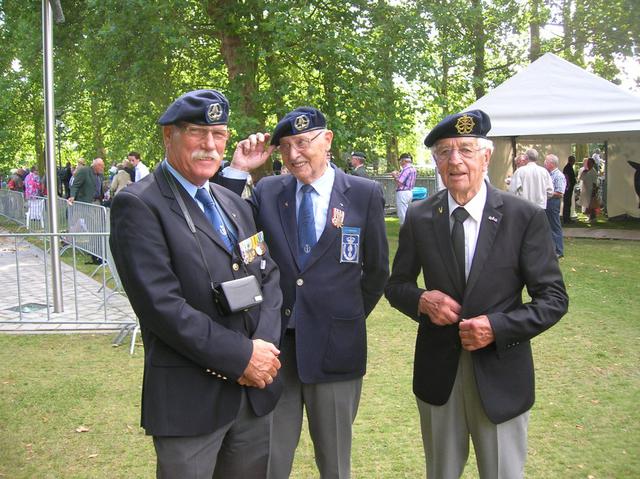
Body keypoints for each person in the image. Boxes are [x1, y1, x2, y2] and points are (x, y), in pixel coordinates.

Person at [385, 109, 568, 479]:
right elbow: (396, 285)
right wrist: (421, 300)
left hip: (501, 374)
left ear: (486, 156)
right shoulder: (420, 217)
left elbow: (553, 299)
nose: (455, 161)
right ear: (435, 162)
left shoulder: (523, 217)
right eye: (444, 152)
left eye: (466, 149)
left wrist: (497, 327)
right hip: (439, 374)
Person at [109, 89, 283, 478]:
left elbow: (267, 275)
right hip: (190, 402)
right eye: (196, 133)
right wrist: (242, 357)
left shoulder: (232, 201)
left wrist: (263, 352)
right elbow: (162, 308)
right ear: (168, 136)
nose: (210, 145)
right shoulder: (139, 205)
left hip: (254, 392)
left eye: (219, 134)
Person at [224, 106, 389, 478]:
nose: (293, 154)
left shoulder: (363, 194)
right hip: (275, 349)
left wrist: (343, 316)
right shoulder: (268, 191)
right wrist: (238, 171)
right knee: (269, 460)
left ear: (327, 140)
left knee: (334, 462)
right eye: (284, 147)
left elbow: (377, 271)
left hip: (336, 349)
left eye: (302, 143)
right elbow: (233, 230)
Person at [544, 154, 566, 258]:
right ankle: (551, 248)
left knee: (555, 226)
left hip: (553, 203)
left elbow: (560, 192)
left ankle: (559, 250)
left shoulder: (558, 176)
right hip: (548, 202)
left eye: (546, 161)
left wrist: (546, 193)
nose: (544, 163)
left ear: (551, 164)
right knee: (548, 226)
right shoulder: (548, 174)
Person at [391, 152, 417, 225]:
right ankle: (409, 230)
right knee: (408, 212)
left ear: (404, 161)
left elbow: (399, 182)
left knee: (402, 213)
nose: (400, 163)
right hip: (409, 191)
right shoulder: (413, 168)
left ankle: (404, 231)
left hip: (403, 192)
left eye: (400, 161)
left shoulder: (406, 169)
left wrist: (394, 175)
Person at [578, 157, 598, 222]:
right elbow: (581, 179)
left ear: (592, 164)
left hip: (591, 189)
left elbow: (595, 182)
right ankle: (590, 216)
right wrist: (584, 172)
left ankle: (593, 217)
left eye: (590, 163)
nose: (588, 164)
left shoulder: (593, 171)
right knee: (587, 204)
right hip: (585, 189)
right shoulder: (586, 171)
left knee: (591, 204)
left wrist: (594, 191)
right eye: (588, 163)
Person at [562, 155, 577, 223]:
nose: (574, 162)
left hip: (569, 188)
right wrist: (568, 185)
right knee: (567, 203)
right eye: (573, 160)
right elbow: (566, 177)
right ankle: (566, 219)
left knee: (568, 203)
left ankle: (567, 218)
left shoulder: (569, 167)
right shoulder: (567, 167)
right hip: (568, 188)